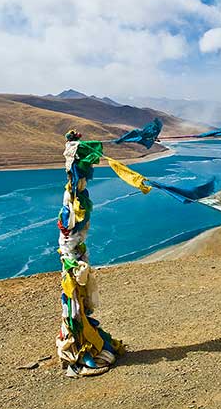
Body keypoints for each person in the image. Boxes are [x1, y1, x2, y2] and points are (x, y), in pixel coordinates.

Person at [55, 130, 123, 377]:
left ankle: (87, 344)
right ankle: (81, 349)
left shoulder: (75, 199)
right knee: (73, 307)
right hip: (72, 264)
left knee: (78, 304)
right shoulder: (72, 200)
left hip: (75, 259)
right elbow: (70, 233)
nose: (90, 173)